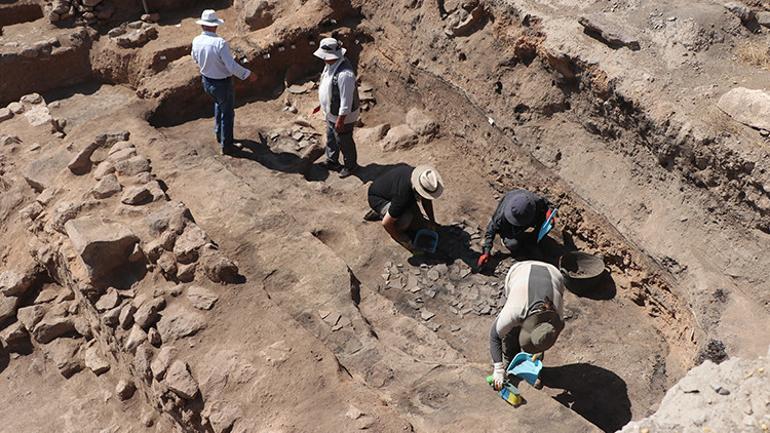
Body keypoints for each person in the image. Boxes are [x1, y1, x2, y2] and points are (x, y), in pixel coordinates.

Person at [489, 260, 565, 390]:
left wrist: (540, 345)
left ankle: (532, 369)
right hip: (520, 272)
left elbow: (549, 334)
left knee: (541, 339)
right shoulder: (515, 310)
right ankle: (510, 365)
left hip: (553, 274)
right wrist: (498, 368)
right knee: (510, 335)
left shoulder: (556, 314)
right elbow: (494, 336)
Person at [191, 9, 256, 155]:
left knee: (218, 105)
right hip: (222, 84)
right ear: (215, 26)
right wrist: (248, 74)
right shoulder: (219, 43)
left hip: (206, 81)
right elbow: (231, 67)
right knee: (227, 113)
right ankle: (227, 146)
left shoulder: (196, 40)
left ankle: (219, 134)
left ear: (202, 25)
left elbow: (195, 59)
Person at [312, 37, 361, 178]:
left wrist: (341, 120)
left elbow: (346, 101)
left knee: (344, 141)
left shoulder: (345, 75)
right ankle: (332, 160)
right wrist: (322, 104)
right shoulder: (330, 65)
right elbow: (326, 86)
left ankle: (351, 166)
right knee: (331, 137)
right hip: (331, 113)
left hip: (342, 116)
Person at [364, 165, 444, 249]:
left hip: (388, 190)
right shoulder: (403, 197)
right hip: (378, 198)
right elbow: (386, 223)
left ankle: (390, 213)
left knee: (419, 221)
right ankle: (382, 213)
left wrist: (432, 221)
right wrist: (403, 240)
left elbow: (426, 200)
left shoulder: (419, 177)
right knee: (406, 219)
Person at [477, 189, 552, 268]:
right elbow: (490, 231)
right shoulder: (501, 216)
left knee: (548, 222)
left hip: (530, 216)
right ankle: (511, 239)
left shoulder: (534, 201)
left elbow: (547, 204)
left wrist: (549, 213)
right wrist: (486, 252)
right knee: (512, 244)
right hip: (509, 226)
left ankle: (533, 239)